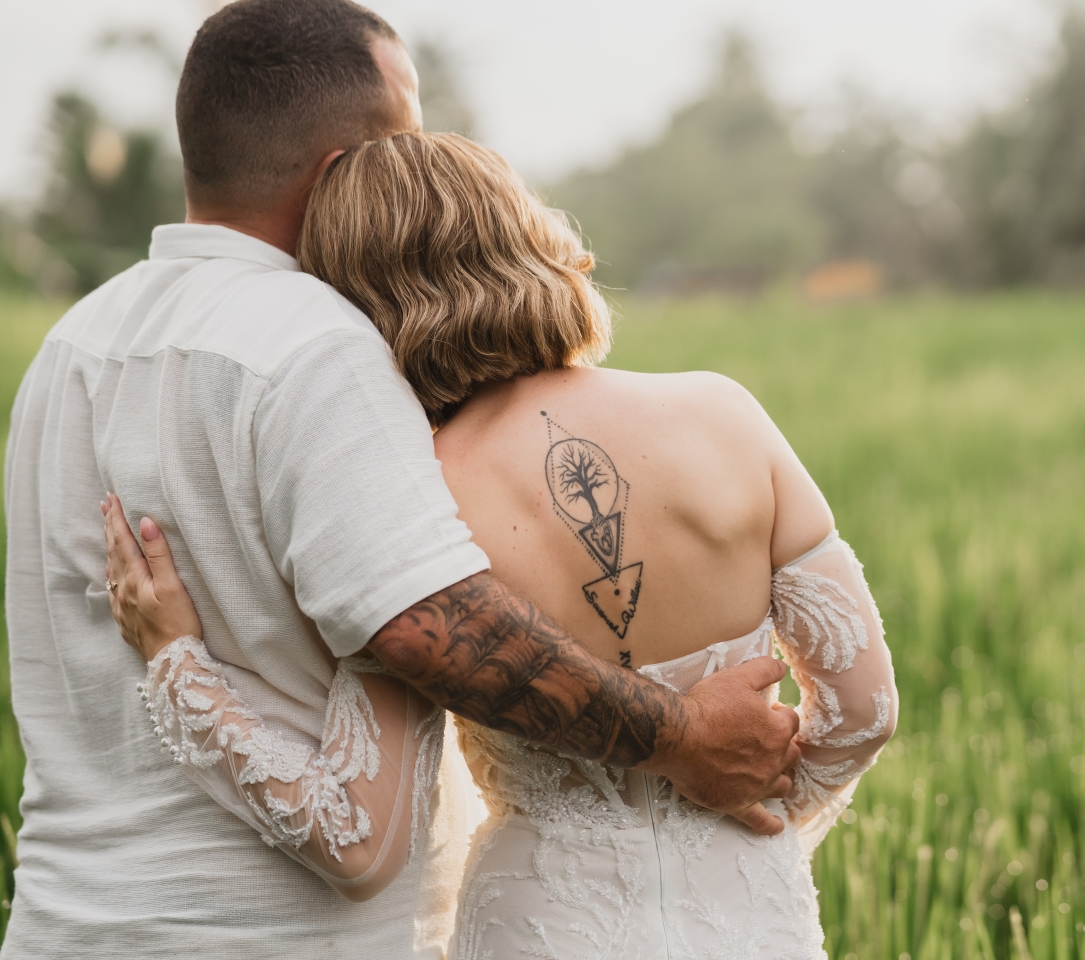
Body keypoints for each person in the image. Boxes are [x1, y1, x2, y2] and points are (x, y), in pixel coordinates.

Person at [1, 2, 798, 956]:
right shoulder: (316, 344)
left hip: (60, 924)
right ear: (346, 171)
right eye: (407, 141)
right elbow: (430, 626)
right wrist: (680, 737)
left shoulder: (72, 345)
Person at [100, 131, 899, 959]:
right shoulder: (724, 415)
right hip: (752, 920)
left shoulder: (412, 499)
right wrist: (748, 819)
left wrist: (177, 664)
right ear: (527, 240)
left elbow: (348, 827)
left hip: (540, 925)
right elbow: (865, 714)